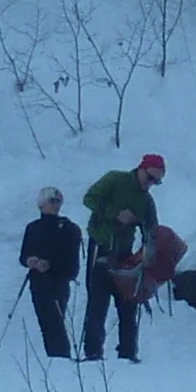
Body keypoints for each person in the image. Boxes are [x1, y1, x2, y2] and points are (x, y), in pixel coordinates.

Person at [82, 153, 163, 363]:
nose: (151, 184)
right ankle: (92, 355)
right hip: (100, 249)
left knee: (128, 306)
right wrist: (115, 213)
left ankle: (127, 355)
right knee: (96, 305)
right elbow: (89, 198)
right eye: (150, 177)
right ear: (141, 169)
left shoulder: (147, 201)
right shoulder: (115, 179)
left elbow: (152, 231)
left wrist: (151, 253)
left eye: (156, 181)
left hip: (126, 257)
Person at [19, 186, 82, 358]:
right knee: (45, 322)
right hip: (37, 281)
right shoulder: (33, 228)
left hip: (57, 281)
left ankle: (61, 357)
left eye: (58, 201)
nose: (55, 205)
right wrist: (30, 261)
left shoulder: (69, 229)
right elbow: (23, 255)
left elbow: (72, 264)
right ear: (41, 204)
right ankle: (55, 357)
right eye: (51, 201)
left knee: (55, 320)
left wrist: (50, 265)